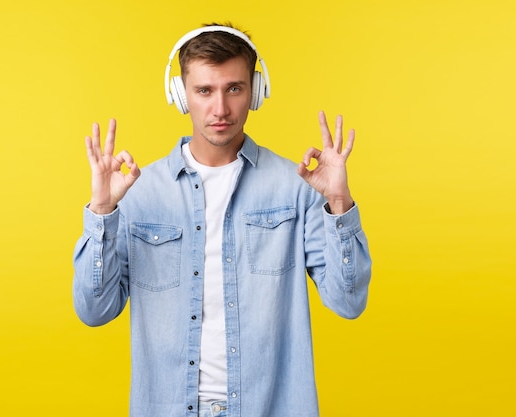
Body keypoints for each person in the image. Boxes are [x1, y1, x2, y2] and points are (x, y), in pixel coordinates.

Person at [73, 23, 372, 417]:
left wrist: (338, 201)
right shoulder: (137, 193)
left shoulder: (295, 187)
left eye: (234, 88)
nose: (220, 109)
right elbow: (95, 312)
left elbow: (348, 302)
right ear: (180, 95)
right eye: (204, 90)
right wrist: (102, 212)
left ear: (256, 91)